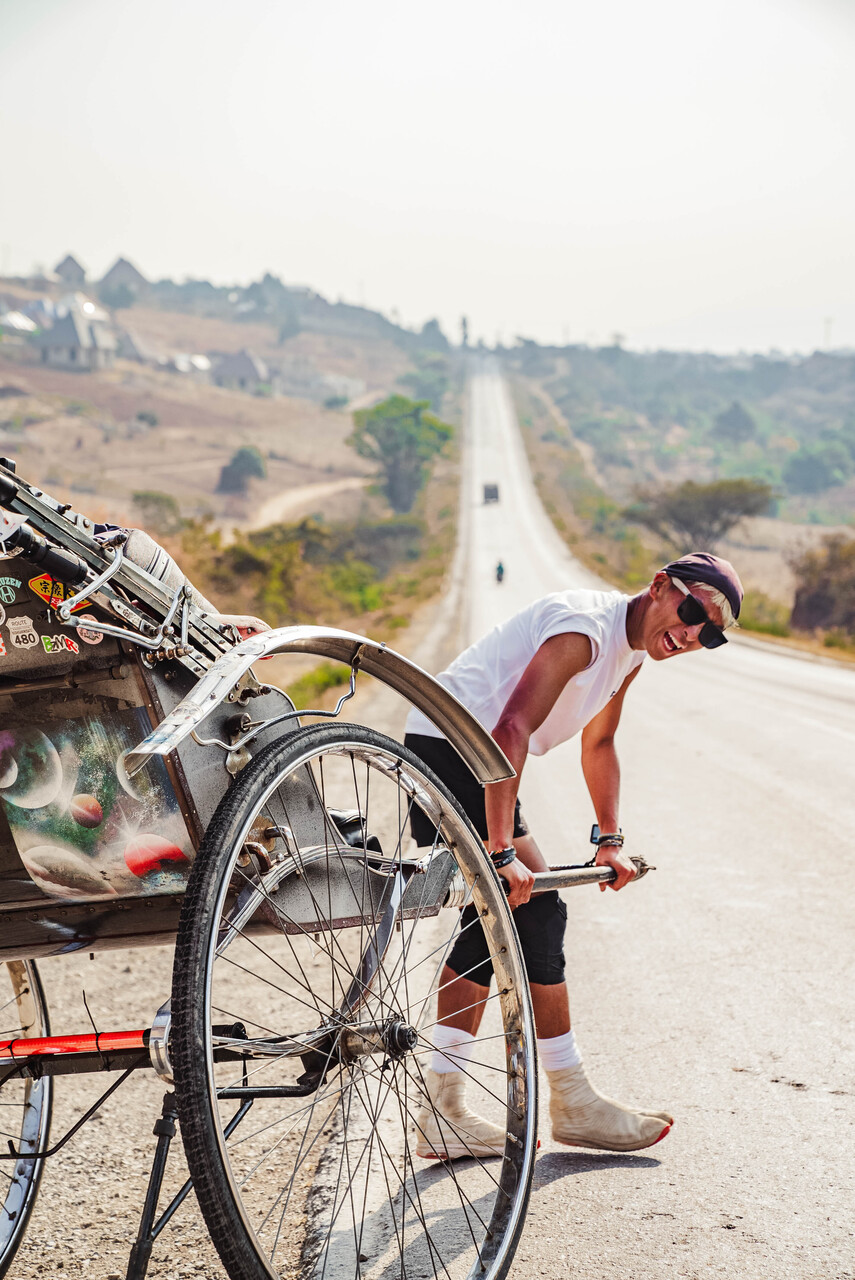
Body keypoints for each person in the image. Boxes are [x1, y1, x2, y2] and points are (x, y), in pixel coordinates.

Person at [404, 552, 743, 1159]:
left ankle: (469, 1105)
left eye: (710, 634)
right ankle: (549, 1101)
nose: (693, 634)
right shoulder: (585, 632)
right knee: (523, 909)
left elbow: (601, 740)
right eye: (692, 612)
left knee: (518, 914)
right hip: (450, 747)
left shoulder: (632, 653)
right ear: (660, 586)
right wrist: (501, 848)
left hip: (474, 756)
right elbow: (510, 728)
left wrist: (609, 840)